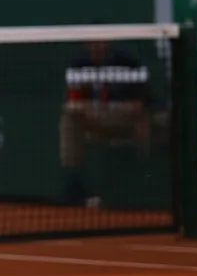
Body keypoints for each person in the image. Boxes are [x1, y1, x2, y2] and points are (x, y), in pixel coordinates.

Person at [59, 27, 165, 205]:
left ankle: (144, 178)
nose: (97, 46)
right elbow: (73, 103)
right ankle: (75, 181)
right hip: (97, 120)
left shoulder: (128, 62)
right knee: (69, 119)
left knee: (146, 119)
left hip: (127, 120)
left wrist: (106, 109)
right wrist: (92, 109)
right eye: (92, 42)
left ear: (108, 42)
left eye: (100, 41)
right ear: (86, 44)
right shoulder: (79, 64)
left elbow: (138, 106)